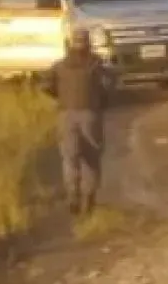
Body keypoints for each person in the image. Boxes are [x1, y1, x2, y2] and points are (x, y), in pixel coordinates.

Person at [41, 28, 114, 216]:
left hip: (66, 114)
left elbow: (46, 86)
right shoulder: (96, 64)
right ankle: (89, 199)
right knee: (91, 158)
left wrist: (60, 96)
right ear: (88, 43)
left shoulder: (59, 66)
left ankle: (73, 197)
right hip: (90, 114)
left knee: (69, 158)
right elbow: (109, 85)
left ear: (70, 43)